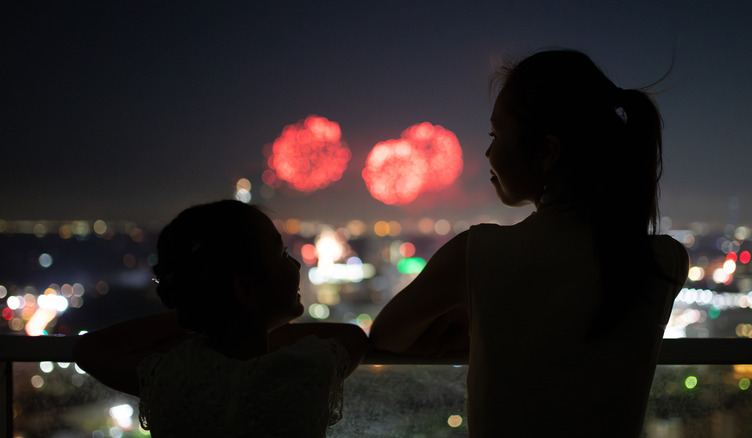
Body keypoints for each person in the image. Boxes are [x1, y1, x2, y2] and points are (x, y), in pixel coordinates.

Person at [369, 49, 689, 437]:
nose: (488, 152)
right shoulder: (664, 261)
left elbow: (386, 336)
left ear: (547, 151)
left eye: (496, 134)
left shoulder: (476, 254)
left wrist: (477, 329)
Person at [73, 200, 368, 438]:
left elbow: (89, 349)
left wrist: (200, 317)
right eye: (281, 254)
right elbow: (352, 338)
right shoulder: (305, 368)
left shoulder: (172, 376)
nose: (296, 263)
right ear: (247, 289)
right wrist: (261, 328)